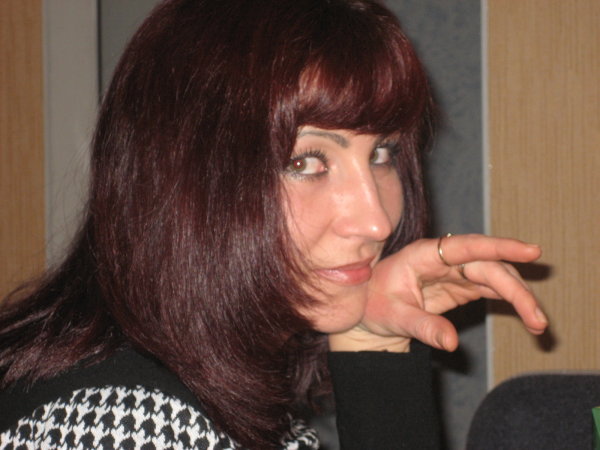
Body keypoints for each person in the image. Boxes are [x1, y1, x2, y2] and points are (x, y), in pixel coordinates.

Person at [0, 0, 547, 448]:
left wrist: (371, 344)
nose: (376, 221)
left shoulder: (198, 385)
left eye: (382, 153)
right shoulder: (126, 426)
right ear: (184, 179)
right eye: (306, 162)